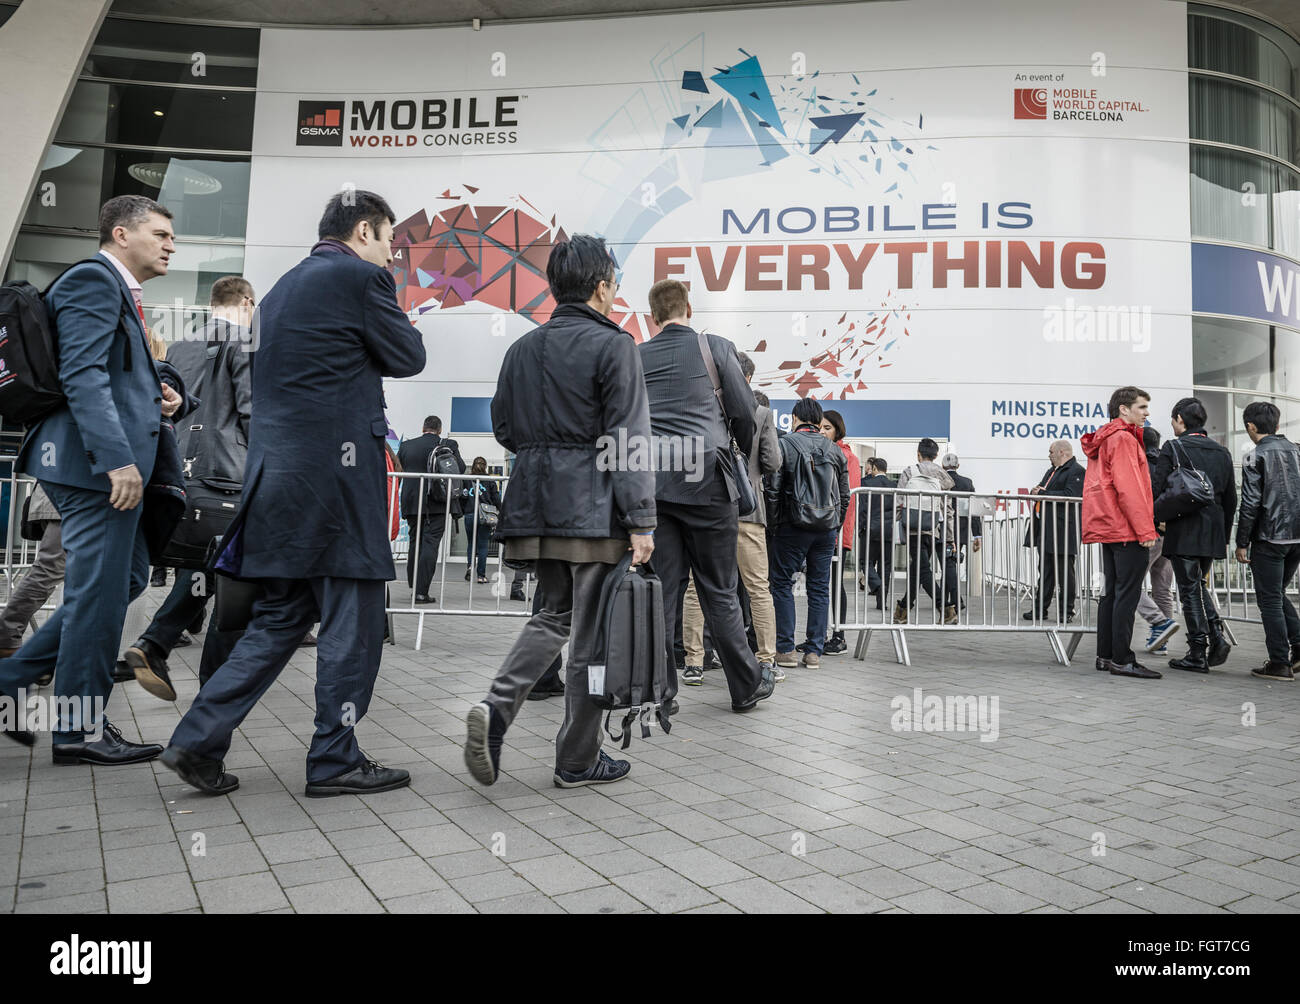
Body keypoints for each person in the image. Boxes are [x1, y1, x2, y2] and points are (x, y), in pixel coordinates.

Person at [159, 189, 426, 797]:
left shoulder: (278, 291)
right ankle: (335, 759)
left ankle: (197, 741)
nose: (391, 253)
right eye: (388, 239)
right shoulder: (360, 279)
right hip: (336, 486)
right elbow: (408, 355)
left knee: (278, 621)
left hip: (276, 484)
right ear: (364, 231)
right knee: (352, 627)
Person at [464, 234, 656, 790]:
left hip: (535, 504)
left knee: (553, 616)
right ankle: (576, 759)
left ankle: (497, 708)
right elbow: (627, 439)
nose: (617, 293)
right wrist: (641, 519)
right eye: (616, 283)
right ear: (601, 288)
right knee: (593, 638)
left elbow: (504, 427)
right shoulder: (615, 346)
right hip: (594, 513)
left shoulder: (522, 349)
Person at [0, 194, 183, 760]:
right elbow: (81, 374)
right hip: (93, 470)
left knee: (120, 584)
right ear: (122, 235)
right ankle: (79, 732)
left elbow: (114, 370)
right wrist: (115, 459)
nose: (171, 244)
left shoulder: (119, 290)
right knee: (98, 594)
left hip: (98, 466)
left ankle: (11, 681)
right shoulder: (93, 280)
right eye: (160, 234)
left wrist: (167, 391)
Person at [635, 279, 771, 709]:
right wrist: (740, 456)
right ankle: (745, 686)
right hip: (710, 481)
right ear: (689, 309)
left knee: (662, 590)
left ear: (653, 316)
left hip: (655, 484)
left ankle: (659, 691)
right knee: (720, 588)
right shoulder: (715, 347)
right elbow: (745, 414)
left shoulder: (636, 357)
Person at [121, 276, 255, 698]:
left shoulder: (180, 347)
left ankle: (157, 644)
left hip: (181, 466)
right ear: (247, 303)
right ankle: (197, 671)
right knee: (226, 563)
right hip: (228, 471)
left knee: (205, 562)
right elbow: (252, 412)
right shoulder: (245, 342)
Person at [681, 354, 780, 681]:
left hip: (707, 509)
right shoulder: (761, 413)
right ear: (748, 378)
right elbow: (773, 461)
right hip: (748, 510)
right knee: (758, 589)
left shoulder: (701, 408)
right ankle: (766, 659)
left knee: (696, 588)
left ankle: (694, 662)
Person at [1153, 397, 1237, 673]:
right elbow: (1231, 498)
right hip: (1213, 530)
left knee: (1189, 591)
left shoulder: (1173, 447)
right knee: (1197, 586)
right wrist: (1223, 535)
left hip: (1184, 528)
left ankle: (1197, 652)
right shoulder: (1222, 452)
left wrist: (1158, 519)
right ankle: (1216, 638)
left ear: (1179, 419)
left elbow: (1158, 489)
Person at [1082, 386, 1160, 679]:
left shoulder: (1104, 439)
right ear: (1123, 409)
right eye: (1142, 407)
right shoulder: (1124, 439)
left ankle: (1106, 656)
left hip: (1111, 528)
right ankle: (1122, 659)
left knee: (1112, 594)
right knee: (1126, 595)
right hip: (1126, 527)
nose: (1147, 413)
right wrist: (1145, 530)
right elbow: (1130, 489)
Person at [769, 397, 849, 669]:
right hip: (826, 529)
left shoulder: (786, 444)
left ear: (795, 418)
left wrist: (773, 523)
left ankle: (785, 649)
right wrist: (834, 524)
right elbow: (845, 495)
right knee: (819, 587)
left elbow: (773, 490)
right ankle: (814, 651)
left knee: (781, 583)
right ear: (817, 421)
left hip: (793, 525)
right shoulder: (834, 449)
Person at [1235, 402, 1300, 680]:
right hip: (1296, 537)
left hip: (1269, 537)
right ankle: (1297, 649)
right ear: (1276, 424)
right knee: (1276, 593)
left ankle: (1278, 662)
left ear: (1251, 426)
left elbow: (1250, 502)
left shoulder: (1254, 456)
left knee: (1270, 599)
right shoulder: (1297, 450)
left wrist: (1241, 541)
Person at [396, 415, 465, 603]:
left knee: (414, 542)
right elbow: (460, 467)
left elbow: (399, 469)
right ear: (439, 429)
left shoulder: (406, 446)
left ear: (423, 427)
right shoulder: (448, 444)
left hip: (411, 501)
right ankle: (421, 591)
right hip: (437, 501)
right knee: (430, 543)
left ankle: (414, 584)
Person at [894, 438, 959, 625]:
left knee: (922, 570)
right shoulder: (942, 476)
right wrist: (949, 537)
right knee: (919, 569)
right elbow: (947, 510)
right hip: (933, 529)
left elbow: (899, 500)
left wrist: (899, 520)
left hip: (913, 529)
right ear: (936, 455)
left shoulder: (909, 472)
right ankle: (903, 610)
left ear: (918, 454)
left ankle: (945, 609)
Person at [1022, 440, 1085, 623]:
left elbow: (1071, 496)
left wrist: (1042, 493)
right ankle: (1040, 609)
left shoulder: (1077, 471)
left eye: (1051, 452)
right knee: (1046, 572)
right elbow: (1043, 489)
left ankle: (1067, 611)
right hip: (1047, 529)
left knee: (1065, 573)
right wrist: (1038, 491)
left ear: (1062, 452)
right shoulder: (1051, 471)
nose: (1049, 455)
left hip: (1064, 530)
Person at [1135, 427, 1179, 654]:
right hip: (1168, 533)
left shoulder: (1142, 465)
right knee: (1163, 588)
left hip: (1149, 533)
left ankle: (1159, 622)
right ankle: (1162, 642)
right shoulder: (1171, 463)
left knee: (1130, 583)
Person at [820, 409, 860, 655]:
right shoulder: (822, 452)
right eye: (820, 427)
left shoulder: (848, 457)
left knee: (835, 584)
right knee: (822, 583)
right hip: (823, 526)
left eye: (827, 428)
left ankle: (839, 635)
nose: (822, 431)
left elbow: (850, 496)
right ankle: (821, 635)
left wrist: (838, 526)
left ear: (837, 430)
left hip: (836, 528)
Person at [941, 452, 982, 612]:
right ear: (958, 466)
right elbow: (973, 510)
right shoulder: (967, 483)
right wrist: (977, 535)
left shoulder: (940, 481)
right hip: (962, 531)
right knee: (951, 564)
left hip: (944, 530)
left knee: (947, 564)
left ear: (943, 466)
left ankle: (950, 599)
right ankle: (948, 599)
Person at [858, 457, 895, 610]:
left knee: (865, 561)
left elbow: (863, 508)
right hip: (888, 531)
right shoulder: (893, 485)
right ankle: (882, 603)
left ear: (874, 469)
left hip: (870, 529)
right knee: (885, 567)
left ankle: (877, 585)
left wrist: (860, 527)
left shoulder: (867, 483)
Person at [462, 457, 501, 583]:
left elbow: (462, 497)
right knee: (483, 546)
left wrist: (463, 511)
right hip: (485, 516)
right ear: (485, 466)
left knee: (471, 544)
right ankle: (481, 576)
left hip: (470, 514)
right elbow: (496, 498)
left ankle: (469, 566)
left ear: (473, 466)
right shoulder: (489, 480)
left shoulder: (467, 480)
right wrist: (501, 512)